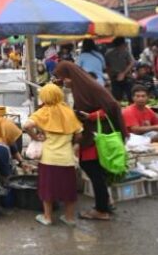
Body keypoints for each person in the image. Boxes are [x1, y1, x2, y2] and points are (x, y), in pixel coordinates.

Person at [54, 61, 127, 221]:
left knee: (91, 167)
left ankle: (101, 210)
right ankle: (106, 203)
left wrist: (91, 116)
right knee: (97, 170)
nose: (64, 81)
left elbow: (112, 106)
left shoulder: (91, 87)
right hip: (91, 134)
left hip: (97, 135)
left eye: (64, 78)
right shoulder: (81, 87)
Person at [24, 83, 83, 227]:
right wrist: (73, 143)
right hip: (67, 159)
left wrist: (35, 137)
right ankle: (69, 218)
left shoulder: (43, 112)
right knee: (69, 190)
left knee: (47, 189)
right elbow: (79, 134)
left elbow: (26, 126)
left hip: (49, 159)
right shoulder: (68, 111)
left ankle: (48, 217)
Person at [105, 37, 134, 102]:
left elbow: (107, 67)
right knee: (128, 97)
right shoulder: (125, 51)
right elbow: (132, 62)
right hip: (121, 77)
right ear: (123, 44)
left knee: (119, 98)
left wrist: (111, 76)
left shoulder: (108, 53)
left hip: (120, 77)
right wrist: (123, 74)